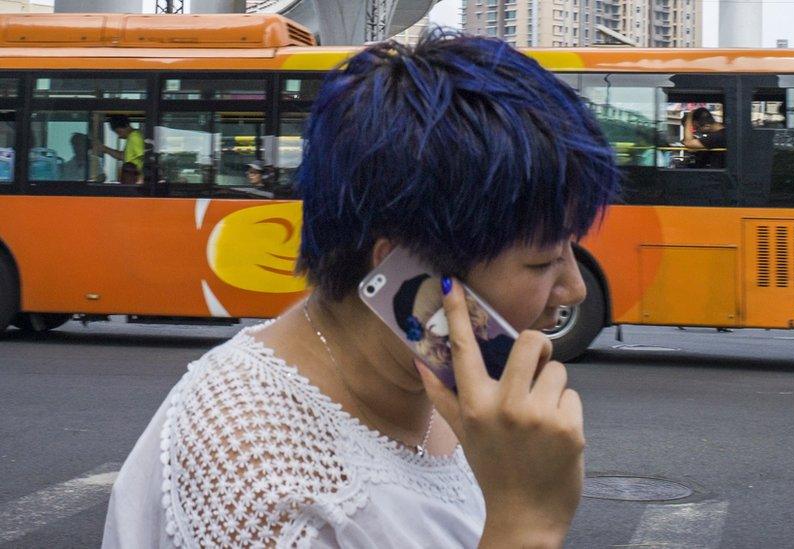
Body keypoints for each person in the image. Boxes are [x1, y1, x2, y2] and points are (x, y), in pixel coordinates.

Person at [102, 30, 618, 548]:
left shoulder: (456, 398)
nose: (573, 289)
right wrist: (526, 524)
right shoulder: (255, 469)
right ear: (405, 270)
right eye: (542, 261)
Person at [93, 115, 144, 183]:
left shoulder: (135, 137)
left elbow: (143, 157)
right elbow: (122, 156)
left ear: (126, 126)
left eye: (119, 132)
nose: (119, 136)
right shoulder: (132, 137)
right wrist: (104, 148)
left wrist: (140, 178)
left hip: (135, 178)